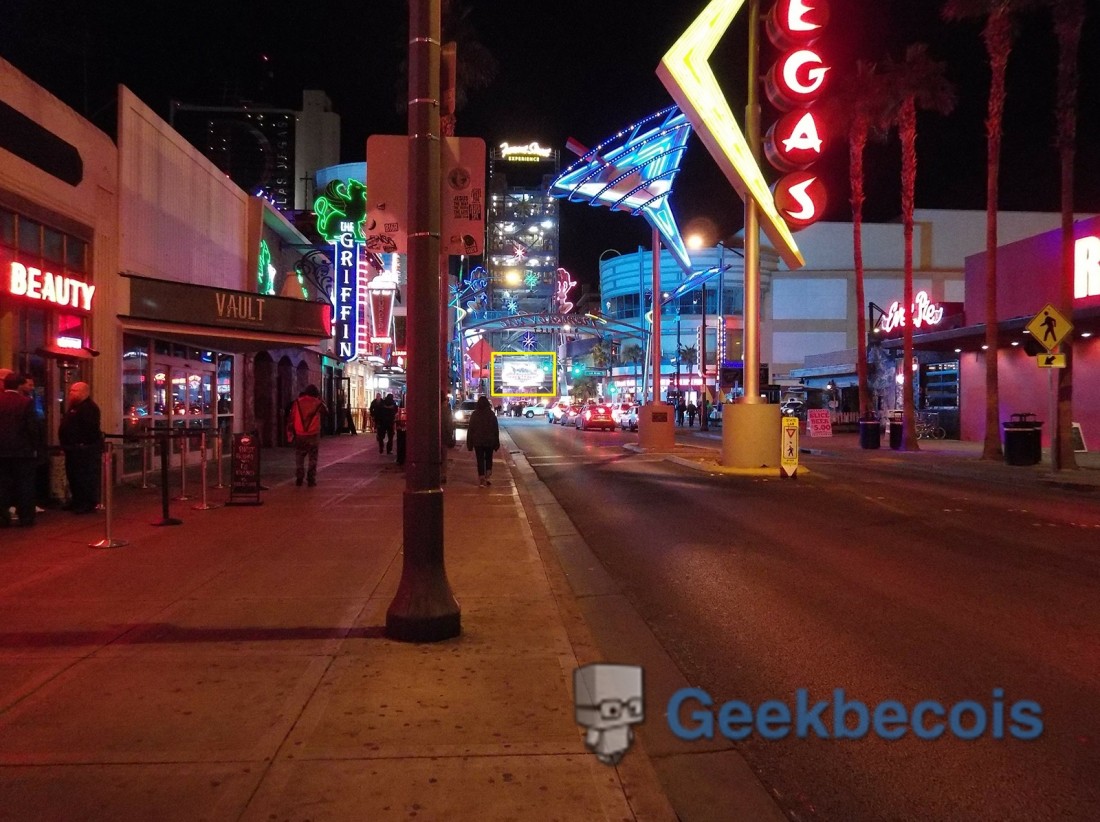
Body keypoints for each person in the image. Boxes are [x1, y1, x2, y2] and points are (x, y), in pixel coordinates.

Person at [1, 372, 42, 527]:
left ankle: (2, 517)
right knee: (24, 484)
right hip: (22, 451)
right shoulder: (25, 402)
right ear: (19, 386)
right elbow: (32, 428)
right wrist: (35, 447)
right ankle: (26, 517)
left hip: (2, 451)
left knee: (2, 485)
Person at [58, 381, 102, 514]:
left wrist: (83, 443)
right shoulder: (74, 407)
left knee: (84, 476)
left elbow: (91, 429)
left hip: (83, 449)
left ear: (84, 393)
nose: (71, 393)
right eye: (71, 391)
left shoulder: (89, 408)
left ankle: (87, 502)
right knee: (73, 476)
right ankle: (77, 500)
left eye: (74, 391)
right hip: (72, 448)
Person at [289, 384, 326, 487]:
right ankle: (311, 479)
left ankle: (299, 477)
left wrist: (292, 430)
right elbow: (326, 411)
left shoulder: (297, 402)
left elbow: (292, 416)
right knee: (313, 457)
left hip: (300, 432)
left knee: (299, 456)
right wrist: (321, 399)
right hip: (313, 433)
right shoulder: (317, 402)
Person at [465, 395, 500, 487]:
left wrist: (469, 443)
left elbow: (471, 429)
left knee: (480, 459)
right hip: (489, 440)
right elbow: (495, 429)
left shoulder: (475, 414)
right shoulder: (491, 414)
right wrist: (496, 442)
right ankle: (487, 476)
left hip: (478, 441)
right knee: (489, 458)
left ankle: (482, 479)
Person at [440, 392, 456, 484]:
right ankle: (443, 475)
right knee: (443, 456)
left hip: (433, 437)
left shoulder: (432, 409)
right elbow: (448, 424)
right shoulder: (446, 410)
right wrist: (450, 433)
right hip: (444, 436)